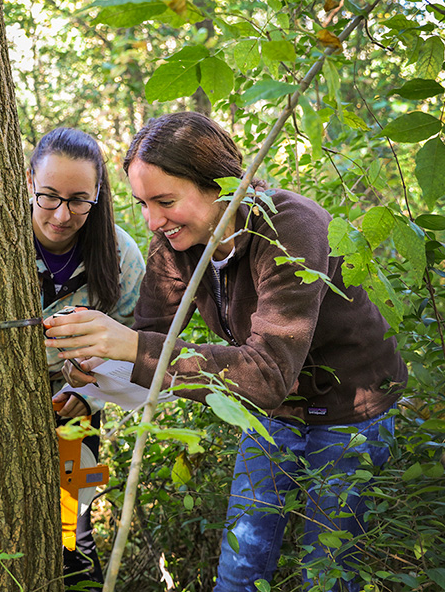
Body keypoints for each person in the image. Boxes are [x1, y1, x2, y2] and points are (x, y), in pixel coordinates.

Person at [44, 112, 407, 591]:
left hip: (348, 412)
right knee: (241, 569)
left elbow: (266, 374)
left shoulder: (289, 228)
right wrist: (90, 368)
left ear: (220, 185)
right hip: (272, 415)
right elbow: (149, 340)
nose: (153, 220)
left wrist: (131, 345)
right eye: (142, 204)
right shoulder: (176, 241)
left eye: (165, 201)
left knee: (329, 574)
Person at [29, 128, 145, 586]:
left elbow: (135, 341)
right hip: (0, 398)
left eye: (79, 200)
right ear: (28, 182)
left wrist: (89, 392)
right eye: (49, 196)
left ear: (99, 195)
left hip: (74, 411)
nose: (61, 214)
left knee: (71, 534)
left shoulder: (120, 255)